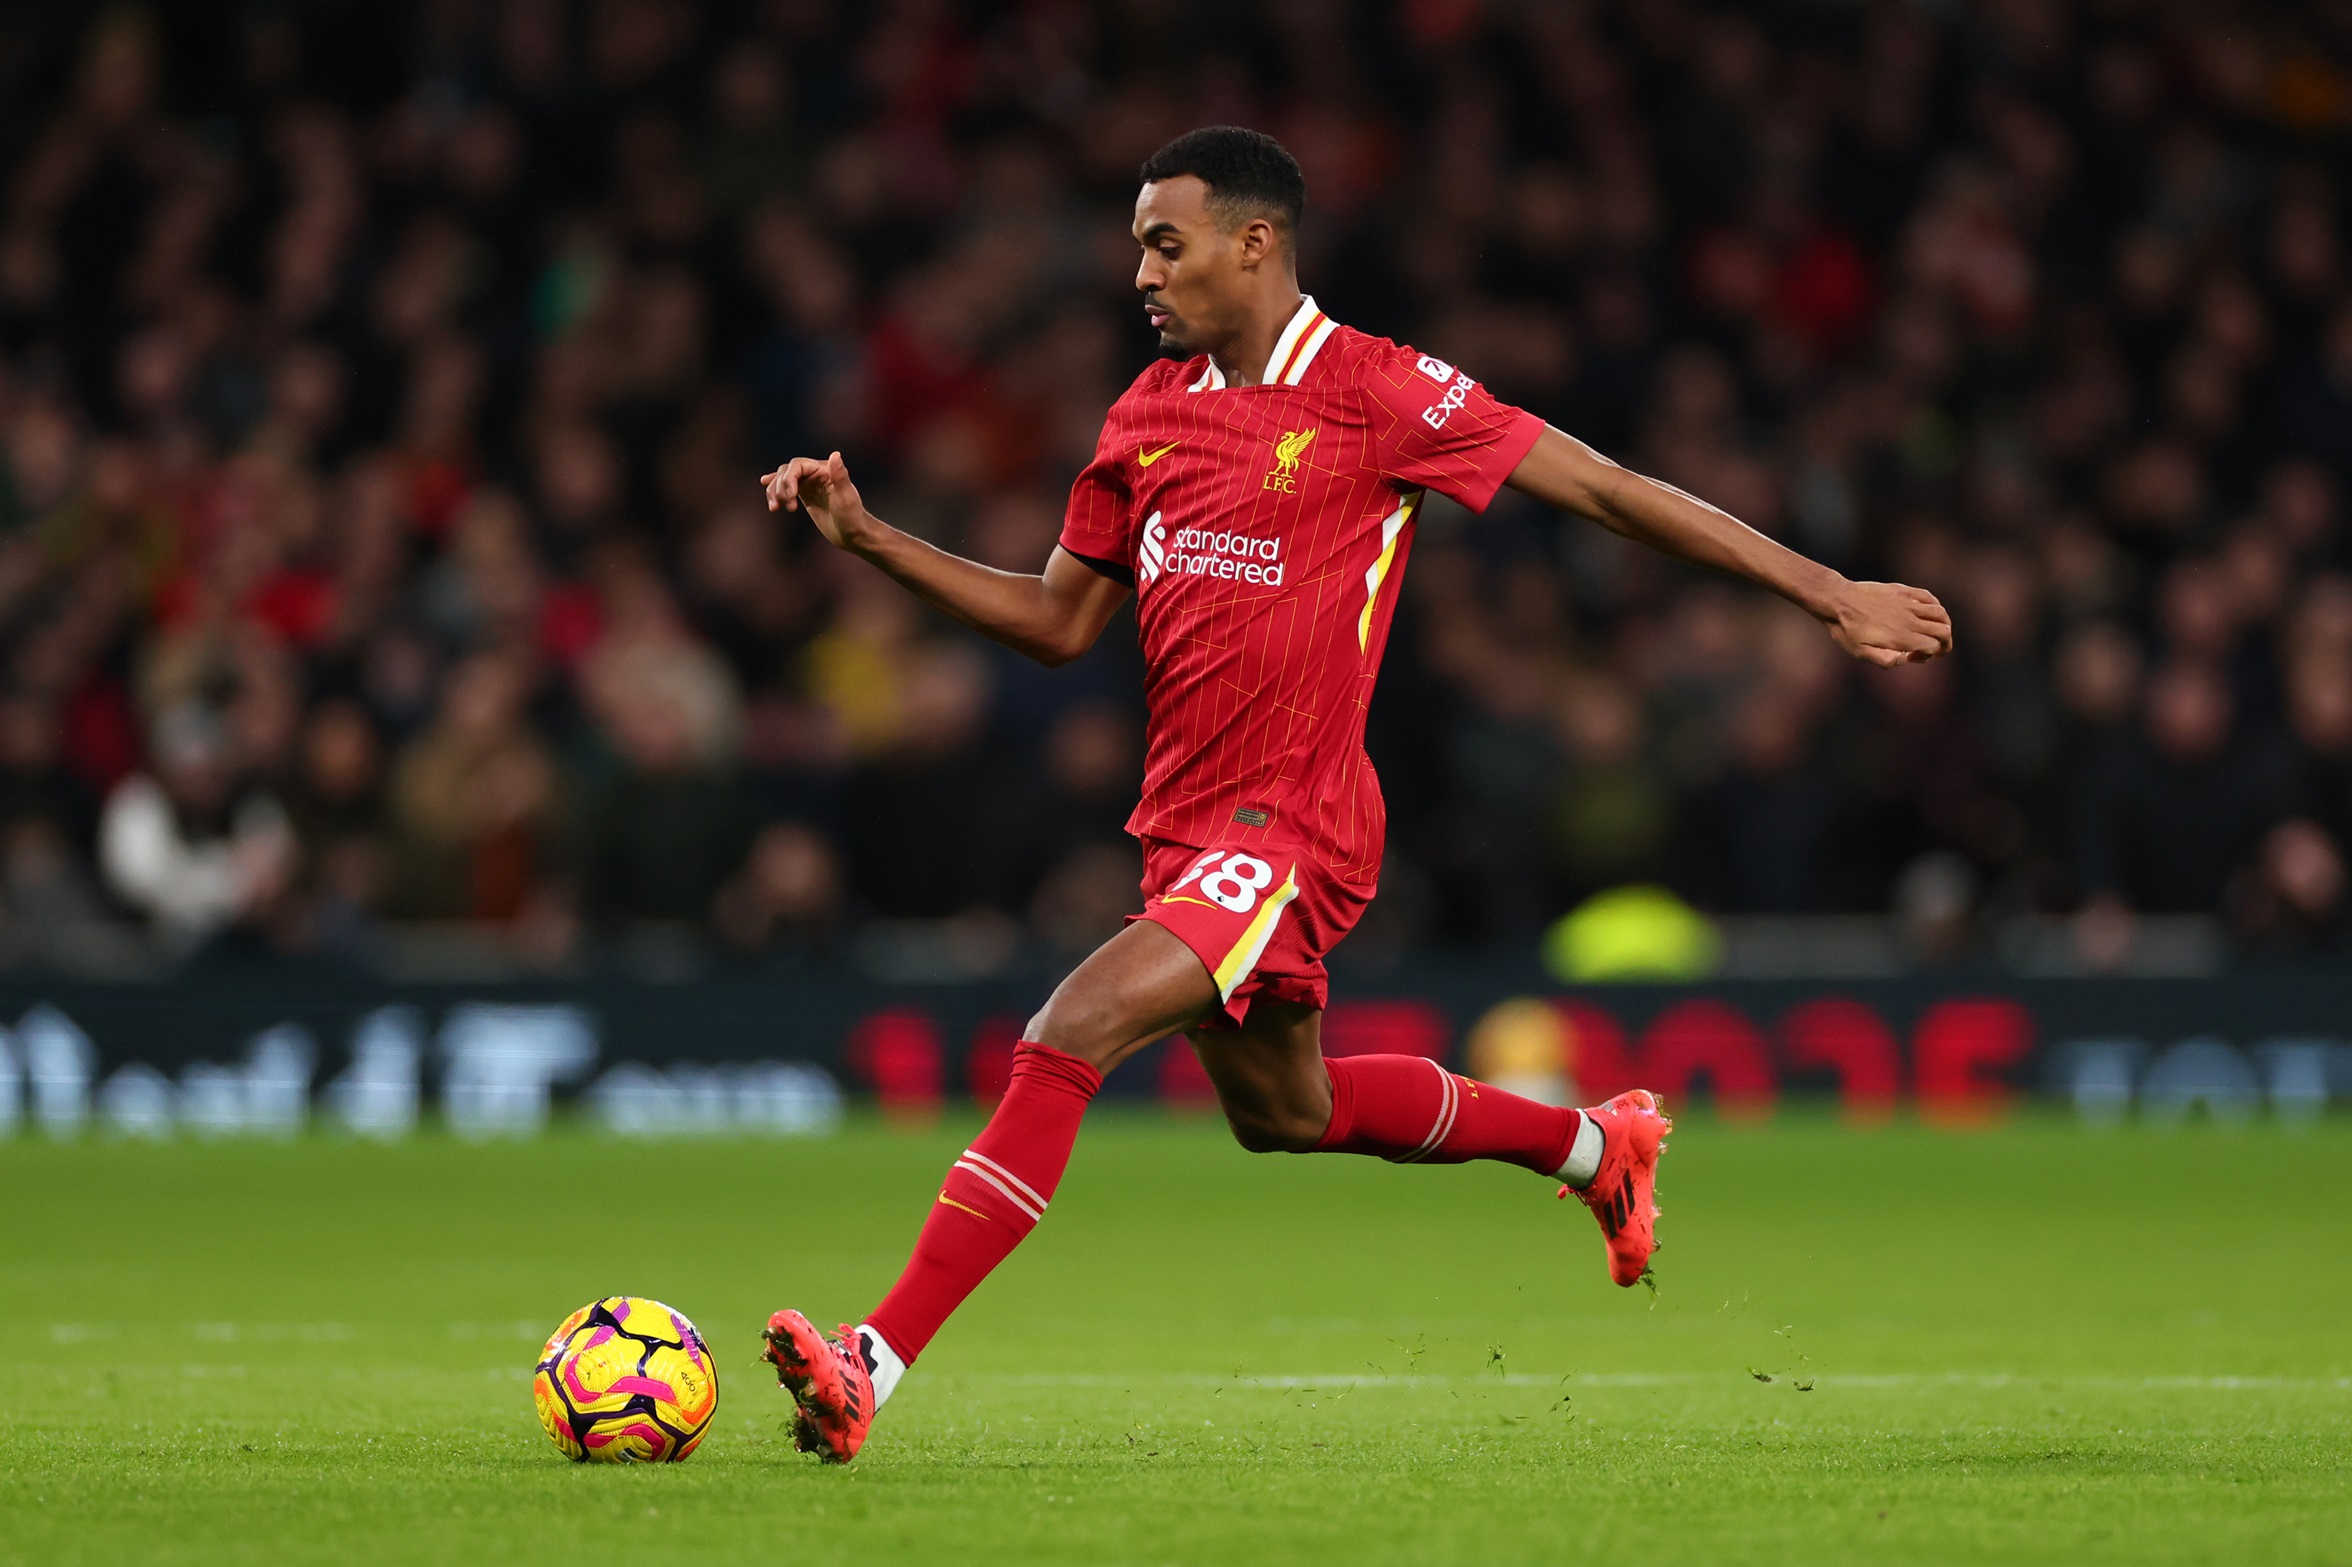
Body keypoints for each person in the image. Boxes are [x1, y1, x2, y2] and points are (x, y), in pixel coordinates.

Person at [753, 128, 1955, 1463]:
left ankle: (873, 1360)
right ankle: (1591, 1149)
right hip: (1186, 831)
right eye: (1138, 244)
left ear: (1254, 242)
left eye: (1167, 241)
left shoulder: (1383, 392)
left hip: (1292, 826)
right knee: (1290, 1115)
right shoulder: (1146, 414)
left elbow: (1607, 490)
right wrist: (873, 544)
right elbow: (1054, 620)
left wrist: (1828, 592)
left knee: (1068, 1029)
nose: (1140, 272)